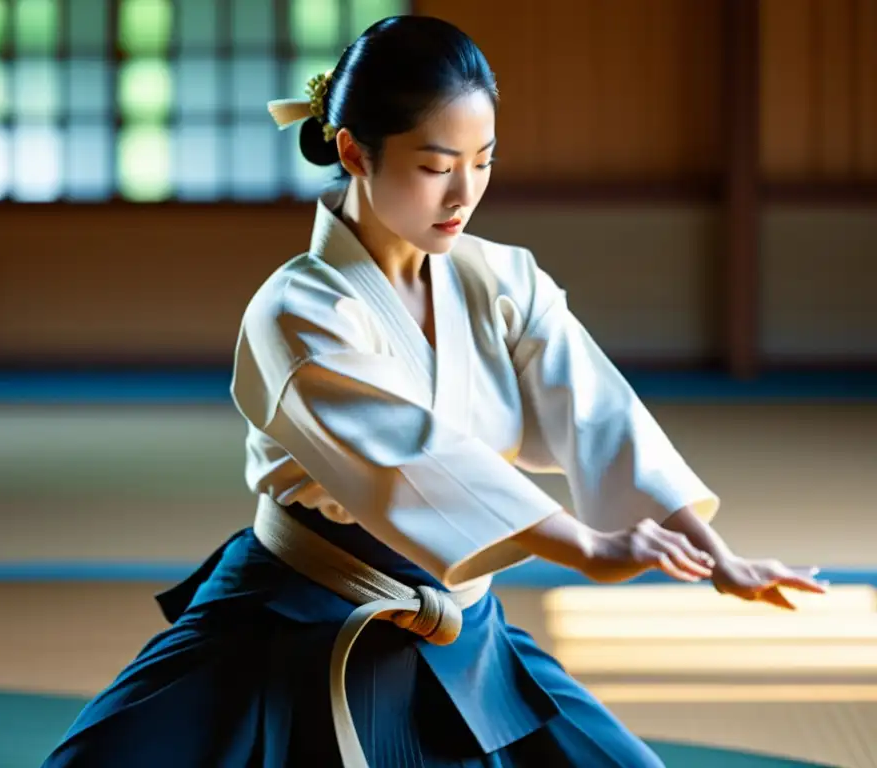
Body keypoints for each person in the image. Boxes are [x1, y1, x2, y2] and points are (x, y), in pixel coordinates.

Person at [42, 15, 827, 767]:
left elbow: (600, 416)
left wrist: (716, 555)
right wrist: (585, 547)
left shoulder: (501, 279)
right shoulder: (297, 311)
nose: (464, 194)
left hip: (462, 631)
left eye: (483, 161)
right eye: (435, 166)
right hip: (295, 612)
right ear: (354, 151)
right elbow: (411, 458)